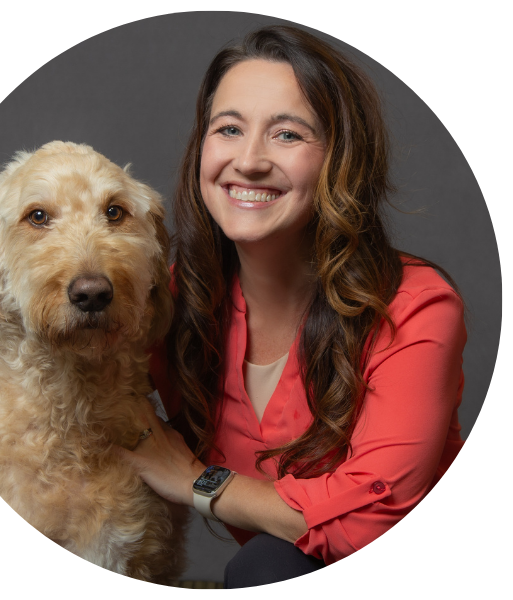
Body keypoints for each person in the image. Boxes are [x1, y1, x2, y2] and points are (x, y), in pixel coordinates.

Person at [116, 25, 466, 588]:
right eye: (229, 129)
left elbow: (370, 525)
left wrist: (195, 481)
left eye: (286, 135)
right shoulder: (177, 300)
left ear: (339, 160)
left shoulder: (413, 306)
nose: (248, 161)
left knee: (269, 563)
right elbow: (81, 387)